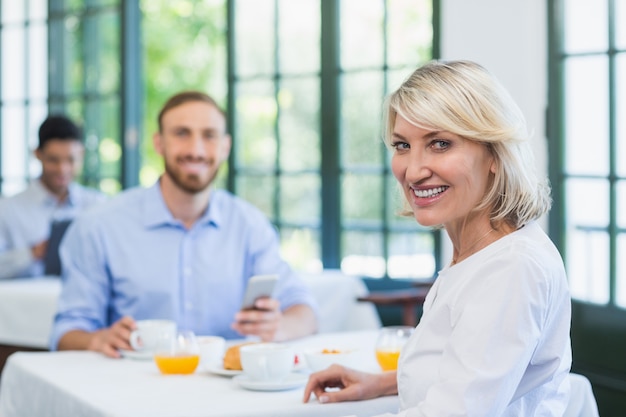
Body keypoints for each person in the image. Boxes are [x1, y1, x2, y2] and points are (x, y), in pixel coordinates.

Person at [303, 60, 572, 416]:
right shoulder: (482, 251)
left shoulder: (511, 268)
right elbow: (471, 369)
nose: (413, 170)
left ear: (494, 154)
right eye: (402, 145)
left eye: (440, 143)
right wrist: (380, 382)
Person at [50, 91, 319, 358]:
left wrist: (279, 327)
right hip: (133, 391)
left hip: (230, 393)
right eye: (181, 133)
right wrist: (98, 339)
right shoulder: (98, 227)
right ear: (159, 143)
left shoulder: (250, 225)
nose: (196, 150)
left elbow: (305, 311)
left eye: (209, 135)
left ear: (225, 147)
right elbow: (65, 332)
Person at [0, 115, 106, 280]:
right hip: (26, 304)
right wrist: (33, 253)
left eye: (71, 160)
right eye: (53, 160)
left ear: (82, 154)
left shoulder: (98, 206)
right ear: (37, 154)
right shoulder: (7, 210)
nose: (62, 169)